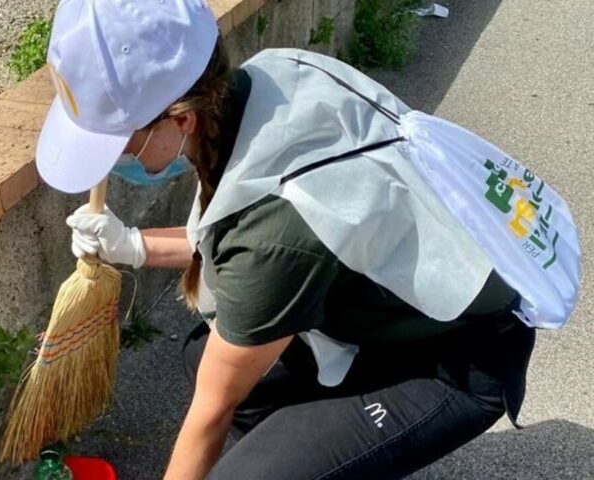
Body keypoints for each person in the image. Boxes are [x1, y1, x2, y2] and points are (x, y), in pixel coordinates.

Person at [35, 1, 580, 479]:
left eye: (120, 143)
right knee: (205, 355)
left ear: (181, 120)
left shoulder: (280, 230)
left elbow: (212, 409)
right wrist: (132, 244)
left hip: (455, 363)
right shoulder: (266, 81)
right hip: (386, 311)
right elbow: (236, 237)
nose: (119, 159)